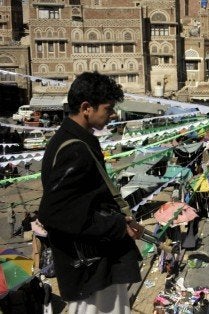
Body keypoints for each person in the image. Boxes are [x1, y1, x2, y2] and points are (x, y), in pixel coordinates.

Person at [38, 72, 144, 311]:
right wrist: (116, 226)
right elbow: (54, 212)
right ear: (87, 108)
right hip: (91, 269)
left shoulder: (74, 140)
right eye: (108, 109)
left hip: (96, 267)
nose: (113, 115)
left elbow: (84, 202)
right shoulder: (74, 150)